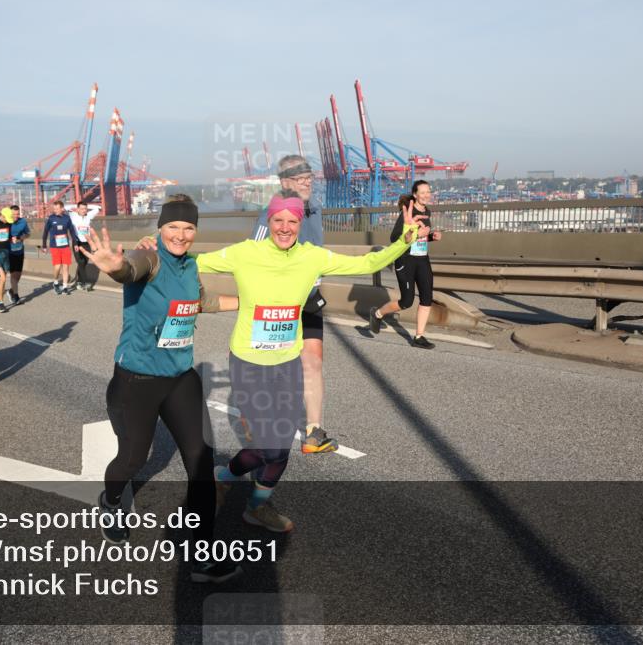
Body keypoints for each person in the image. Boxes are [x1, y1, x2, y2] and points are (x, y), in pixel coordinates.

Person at [190, 196, 425, 533]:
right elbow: (194, 260)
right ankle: (224, 477)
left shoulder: (312, 257)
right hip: (248, 363)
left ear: (300, 224)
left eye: (293, 221)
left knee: (280, 447)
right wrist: (156, 248)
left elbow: (366, 263)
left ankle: (251, 503)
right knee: (270, 445)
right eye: (278, 220)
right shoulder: (244, 253)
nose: (285, 228)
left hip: (287, 363)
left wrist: (403, 241)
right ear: (269, 222)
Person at [80, 195, 241, 584]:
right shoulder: (149, 257)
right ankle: (111, 502)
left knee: (201, 462)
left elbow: (201, 301)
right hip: (136, 381)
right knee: (132, 459)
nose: (181, 235)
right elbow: (131, 268)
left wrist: (250, 302)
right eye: (173, 227)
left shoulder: (190, 265)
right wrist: (116, 266)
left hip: (181, 378)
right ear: (160, 228)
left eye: (188, 228)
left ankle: (202, 555)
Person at [248, 155, 337, 454]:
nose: (307, 182)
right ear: (285, 182)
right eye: (300, 178)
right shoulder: (271, 214)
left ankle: (313, 433)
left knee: (313, 361)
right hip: (278, 304)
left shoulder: (315, 209)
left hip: (309, 299)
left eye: (309, 177)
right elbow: (252, 257)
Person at [368, 180, 443, 348]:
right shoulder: (407, 214)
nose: (426, 195)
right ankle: (377, 313)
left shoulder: (427, 212)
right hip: (405, 260)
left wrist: (431, 237)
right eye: (422, 192)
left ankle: (419, 337)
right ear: (415, 194)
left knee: (426, 298)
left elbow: (421, 236)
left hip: (422, 259)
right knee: (406, 302)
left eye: (428, 192)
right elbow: (395, 238)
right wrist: (415, 233)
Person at [41, 200, 79, 295]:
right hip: (54, 246)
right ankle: (56, 282)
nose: (55, 210)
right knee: (57, 266)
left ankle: (65, 287)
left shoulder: (67, 218)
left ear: (62, 208)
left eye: (57, 209)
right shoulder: (51, 218)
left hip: (65, 246)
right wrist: (44, 245)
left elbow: (72, 231)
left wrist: (75, 244)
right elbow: (45, 232)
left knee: (66, 267)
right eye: (54, 209)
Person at [65, 200, 101, 291]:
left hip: (87, 243)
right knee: (80, 262)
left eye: (85, 209)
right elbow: (65, 207)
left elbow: (98, 208)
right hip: (77, 242)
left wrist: (87, 207)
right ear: (77, 209)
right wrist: (76, 206)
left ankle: (79, 282)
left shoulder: (88, 216)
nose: (84, 210)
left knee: (84, 263)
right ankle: (86, 282)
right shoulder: (73, 215)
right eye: (81, 209)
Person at [6, 204, 30, 305]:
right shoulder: (6, 223)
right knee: (13, 274)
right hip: (9, 252)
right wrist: (9, 239)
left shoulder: (23, 222)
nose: (16, 216)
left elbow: (28, 234)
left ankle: (11, 291)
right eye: (13, 214)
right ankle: (16, 296)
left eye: (17, 214)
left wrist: (20, 238)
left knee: (18, 275)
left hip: (20, 250)